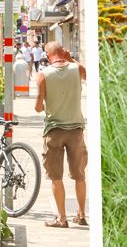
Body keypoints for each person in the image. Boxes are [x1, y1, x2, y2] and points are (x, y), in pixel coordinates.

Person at [34, 42, 88, 228]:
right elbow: (87, 75)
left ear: (47, 55)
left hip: (54, 131)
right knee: (79, 176)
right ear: (63, 52)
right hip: (76, 131)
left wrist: (45, 105)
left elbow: (38, 106)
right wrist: (70, 58)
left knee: (56, 177)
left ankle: (62, 219)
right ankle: (81, 215)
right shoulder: (76, 68)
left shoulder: (43, 75)